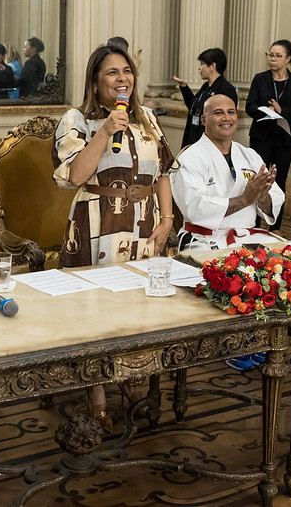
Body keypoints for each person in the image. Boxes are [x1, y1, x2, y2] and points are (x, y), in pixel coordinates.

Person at [52, 45, 175, 432]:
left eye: (127, 71)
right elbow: (74, 176)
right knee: (94, 313)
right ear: (95, 81)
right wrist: (105, 130)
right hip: (97, 223)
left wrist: (168, 218)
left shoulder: (148, 118)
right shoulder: (78, 119)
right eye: (111, 73)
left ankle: (130, 380)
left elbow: (164, 172)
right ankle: (96, 393)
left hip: (145, 223)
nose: (122, 79)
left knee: (136, 308)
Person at [171, 94, 283, 371]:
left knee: (282, 264)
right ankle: (232, 342)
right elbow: (195, 208)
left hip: (248, 235)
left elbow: (274, 201)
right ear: (203, 119)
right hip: (204, 238)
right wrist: (244, 199)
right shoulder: (191, 157)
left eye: (231, 112)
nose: (227, 118)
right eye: (218, 113)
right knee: (235, 275)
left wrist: (263, 194)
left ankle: (259, 337)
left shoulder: (249, 154)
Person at [246, 39, 291, 231]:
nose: (272, 59)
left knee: (279, 181)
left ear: (288, 59)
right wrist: (265, 110)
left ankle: (274, 227)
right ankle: (254, 225)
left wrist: (282, 111)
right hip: (261, 137)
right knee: (257, 180)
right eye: (270, 54)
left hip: (284, 138)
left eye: (278, 56)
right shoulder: (260, 79)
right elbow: (250, 106)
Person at [173, 47, 238, 149]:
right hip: (193, 137)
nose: (200, 68)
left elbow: (225, 119)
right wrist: (184, 87)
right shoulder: (206, 87)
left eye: (202, 64)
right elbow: (193, 106)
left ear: (212, 66)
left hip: (210, 143)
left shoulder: (225, 89)